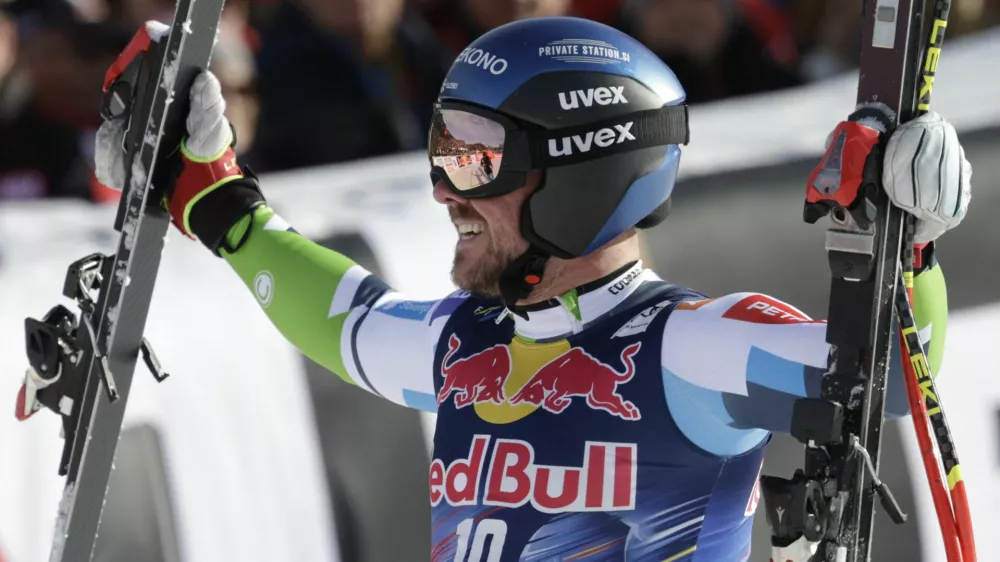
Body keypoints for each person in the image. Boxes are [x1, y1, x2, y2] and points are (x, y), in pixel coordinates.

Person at [90, 16, 971, 562]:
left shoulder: (690, 347)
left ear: (580, 174)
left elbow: (885, 380)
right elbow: (348, 325)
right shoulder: (466, 344)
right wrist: (214, 200)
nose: (445, 189)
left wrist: (908, 252)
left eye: (473, 156)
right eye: (440, 151)